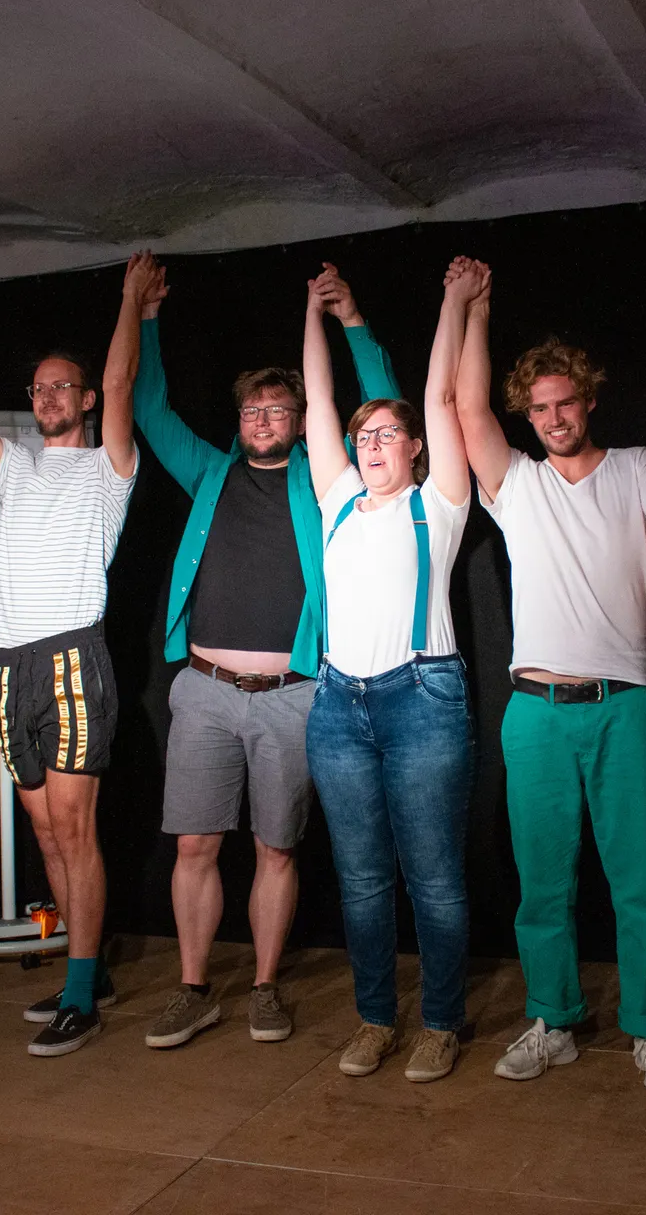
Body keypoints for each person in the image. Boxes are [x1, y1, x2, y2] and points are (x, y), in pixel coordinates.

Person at [454, 301, 646, 1094]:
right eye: (539, 408)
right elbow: (468, 410)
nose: (553, 418)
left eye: (565, 403)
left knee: (638, 880)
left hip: (625, 707)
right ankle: (554, 1019)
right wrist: (473, 309)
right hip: (535, 712)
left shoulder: (639, 467)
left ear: (588, 401)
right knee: (543, 883)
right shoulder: (516, 483)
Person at [132, 262, 401, 1050]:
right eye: (252, 408)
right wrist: (145, 318)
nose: (263, 418)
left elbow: (387, 407)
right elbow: (148, 409)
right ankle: (193, 989)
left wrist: (352, 321)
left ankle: (262, 986)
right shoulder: (210, 472)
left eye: (279, 407)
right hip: (205, 691)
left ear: (301, 418)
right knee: (194, 844)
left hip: (292, 692)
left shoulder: (326, 477)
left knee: (276, 847)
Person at [0, 248, 158, 1056]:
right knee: (46, 831)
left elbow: (124, 385)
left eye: (63, 386)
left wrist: (130, 299)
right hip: (10, 666)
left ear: (85, 398)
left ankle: (81, 994)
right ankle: (83, 972)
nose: (50, 397)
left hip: (69, 658)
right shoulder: (15, 468)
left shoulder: (108, 467)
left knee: (73, 824)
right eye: (39, 389)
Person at [303, 257, 480, 1083]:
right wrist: (314, 314)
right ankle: (376, 1018)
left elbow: (442, 398)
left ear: (413, 448)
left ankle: (441, 1021)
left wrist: (452, 300)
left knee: (434, 880)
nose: (370, 444)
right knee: (363, 881)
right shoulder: (336, 501)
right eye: (362, 436)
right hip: (338, 707)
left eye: (386, 435)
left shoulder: (438, 504)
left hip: (422, 701)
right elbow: (317, 403)